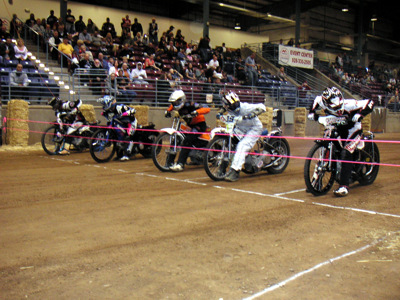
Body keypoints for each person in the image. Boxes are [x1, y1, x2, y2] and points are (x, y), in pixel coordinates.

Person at [307, 86, 375, 197]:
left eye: (339, 106)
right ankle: (316, 180)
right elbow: (316, 101)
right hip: (336, 127)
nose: (338, 110)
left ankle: (344, 186)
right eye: (334, 107)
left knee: (346, 152)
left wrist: (360, 114)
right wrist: (312, 112)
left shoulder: (351, 104)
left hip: (353, 129)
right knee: (327, 139)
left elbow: (370, 102)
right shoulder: (321, 100)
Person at [220, 91, 266, 182]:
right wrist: (220, 113)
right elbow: (223, 109)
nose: (235, 106)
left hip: (254, 128)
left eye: (236, 104)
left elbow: (262, 106)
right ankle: (222, 168)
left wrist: (253, 114)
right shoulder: (228, 109)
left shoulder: (244, 107)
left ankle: (235, 171)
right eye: (232, 105)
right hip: (240, 129)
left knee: (241, 146)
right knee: (229, 143)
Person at [166, 90, 211, 172]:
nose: (174, 104)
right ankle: (169, 162)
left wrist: (197, 112)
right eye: (174, 102)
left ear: (181, 100)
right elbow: (171, 107)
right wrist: (168, 111)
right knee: (177, 138)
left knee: (187, 141)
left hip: (199, 125)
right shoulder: (175, 105)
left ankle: (180, 164)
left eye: (176, 102)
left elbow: (207, 108)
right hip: (189, 125)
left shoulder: (191, 104)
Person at [97, 95, 138, 161]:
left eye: (104, 104)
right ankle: (119, 155)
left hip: (130, 123)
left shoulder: (120, 107)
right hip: (120, 124)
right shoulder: (108, 111)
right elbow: (109, 120)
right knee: (116, 137)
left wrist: (125, 113)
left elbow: (133, 110)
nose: (103, 106)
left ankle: (127, 154)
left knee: (128, 135)